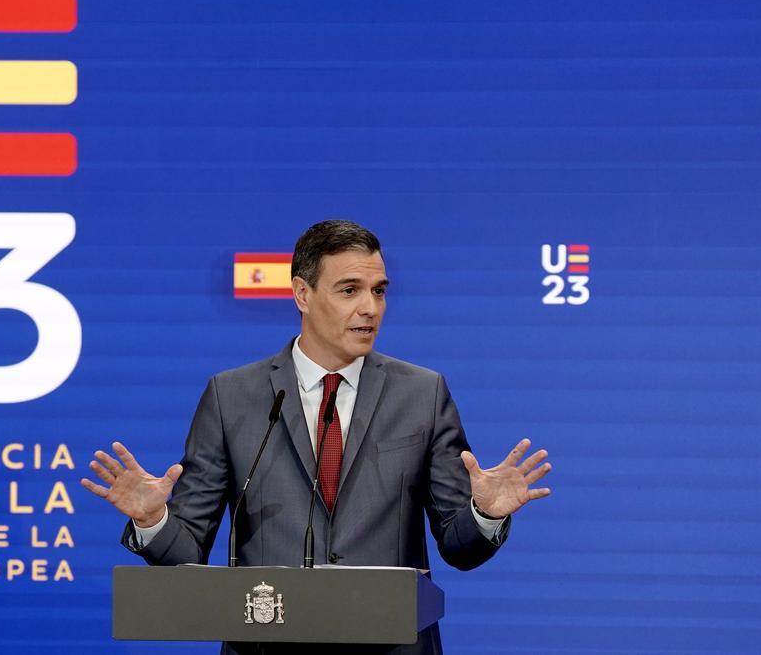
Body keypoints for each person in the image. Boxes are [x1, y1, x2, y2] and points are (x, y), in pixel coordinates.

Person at [81, 220, 552, 654]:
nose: (370, 307)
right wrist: (153, 520)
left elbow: (458, 547)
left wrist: (484, 514)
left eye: (379, 291)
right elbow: (186, 552)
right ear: (302, 294)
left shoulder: (422, 394)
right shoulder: (232, 396)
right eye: (350, 290)